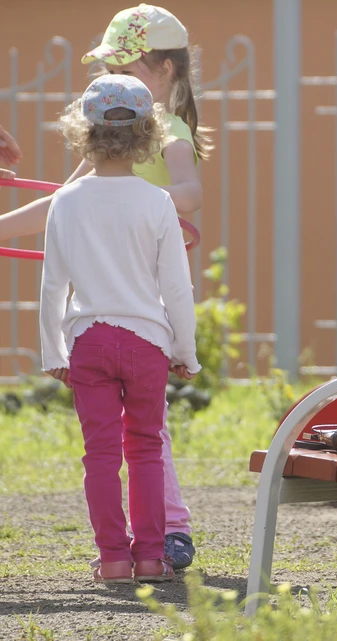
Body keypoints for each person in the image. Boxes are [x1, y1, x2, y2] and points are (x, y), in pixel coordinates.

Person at [0, 4, 210, 568]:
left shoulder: (170, 129)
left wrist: (135, 208)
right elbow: (61, 203)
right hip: (114, 314)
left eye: (130, 69)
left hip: (140, 300)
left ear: (165, 70)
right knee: (135, 437)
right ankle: (156, 539)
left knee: (138, 437)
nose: (115, 82)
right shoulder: (113, 141)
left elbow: (189, 193)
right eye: (108, 70)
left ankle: (164, 533)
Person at [39, 74, 200, 583]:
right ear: (148, 135)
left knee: (101, 456)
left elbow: (51, 287)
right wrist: (185, 350)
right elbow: (178, 289)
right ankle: (151, 558)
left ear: (82, 133)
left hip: (88, 341)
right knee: (147, 448)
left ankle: (112, 559)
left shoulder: (65, 202)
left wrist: (54, 353)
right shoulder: (157, 203)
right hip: (147, 342)